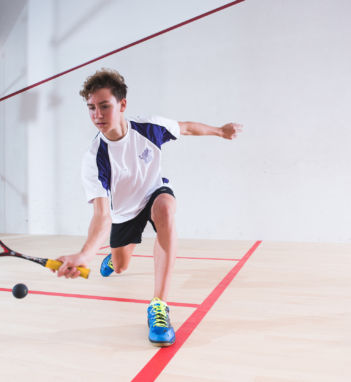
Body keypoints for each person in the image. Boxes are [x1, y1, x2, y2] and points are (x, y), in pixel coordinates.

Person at [55, 68, 242, 347]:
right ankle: (113, 259)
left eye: (104, 106)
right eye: (91, 108)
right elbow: (102, 214)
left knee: (166, 209)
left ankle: (159, 306)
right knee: (120, 266)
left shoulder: (149, 127)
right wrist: (86, 254)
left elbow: (187, 127)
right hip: (123, 213)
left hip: (154, 193)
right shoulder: (94, 158)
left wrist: (219, 131)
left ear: (122, 105)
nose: (97, 115)